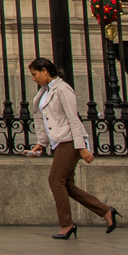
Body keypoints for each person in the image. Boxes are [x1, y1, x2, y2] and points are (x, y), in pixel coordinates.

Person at [24, 57, 117, 238]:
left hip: (69, 141)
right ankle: (106, 211)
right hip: (59, 141)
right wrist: (41, 143)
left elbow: (73, 119)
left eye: (34, 74)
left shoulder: (63, 89)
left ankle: (66, 225)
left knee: (55, 181)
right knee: (67, 185)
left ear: (45, 71)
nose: (33, 78)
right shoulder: (44, 91)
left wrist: (81, 147)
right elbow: (42, 119)